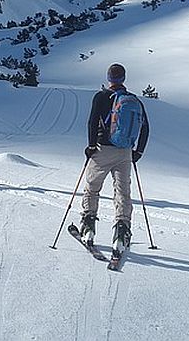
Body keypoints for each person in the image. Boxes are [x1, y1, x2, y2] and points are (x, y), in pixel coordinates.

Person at [79, 63, 150, 253]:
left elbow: (92, 122)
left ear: (109, 78)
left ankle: (88, 227)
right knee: (123, 193)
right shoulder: (134, 100)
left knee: (92, 189)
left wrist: (91, 145)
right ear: (124, 79)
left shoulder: (101, 96)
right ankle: (121, 233)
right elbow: (145, 128)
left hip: (102, 150)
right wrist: (138, 152)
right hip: (125, 152)